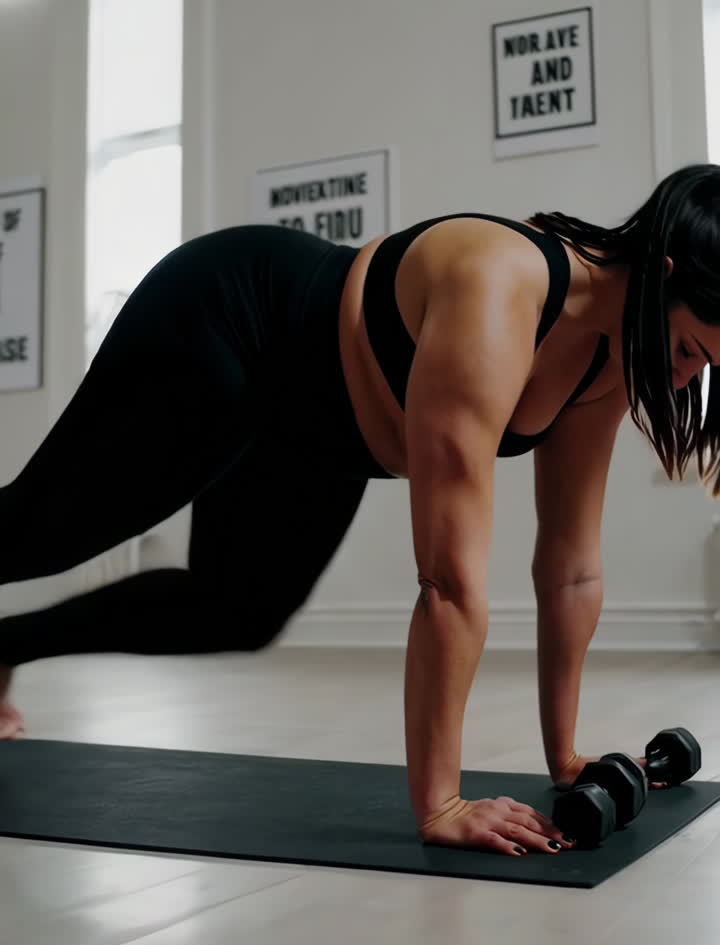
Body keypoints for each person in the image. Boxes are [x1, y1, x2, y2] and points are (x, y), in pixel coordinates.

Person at [1, 162, 719, 858]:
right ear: (661, 278)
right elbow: (447, 581)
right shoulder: (501, 285)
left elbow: (570, 570)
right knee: (38, 535)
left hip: (321, 432)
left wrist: (565, 759)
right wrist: (441, 804)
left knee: (238, 613)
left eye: (706, 365)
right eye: (689, 348)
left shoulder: (608, 365)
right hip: (232, 316)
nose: (686, 377)